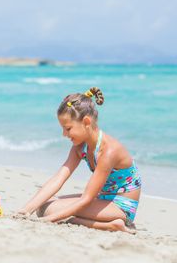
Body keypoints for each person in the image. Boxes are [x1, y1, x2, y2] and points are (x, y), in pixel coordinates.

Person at [17, 87, 141, 232]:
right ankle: (107, 223)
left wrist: (48, 220)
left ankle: (111, 224)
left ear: (86, 122)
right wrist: (26, 209)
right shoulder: (80, 148)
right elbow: (59, 178)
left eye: (68, 128)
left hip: (121, 206)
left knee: (51, 211)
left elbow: (86, 199)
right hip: (103, 198)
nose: (64, 134)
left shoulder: (109, 151)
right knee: (44, 205)